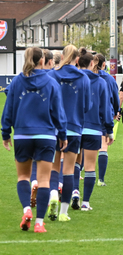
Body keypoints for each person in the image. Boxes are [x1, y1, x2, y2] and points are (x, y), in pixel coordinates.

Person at [1, 47, 67, 232]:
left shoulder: (16, 82)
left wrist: (5, 133)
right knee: (44, 180)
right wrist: (62, 135)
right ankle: (39, 223)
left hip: (22, 135)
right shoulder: (51, 82)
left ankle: (27, 209)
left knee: (23, 177)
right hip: (46, 136)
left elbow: (9, 109)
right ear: (42, 61)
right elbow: (58, 112)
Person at [48, 44, 91, 221]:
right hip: (74, 128)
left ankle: (52, 196)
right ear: (78, 59)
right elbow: (88, 106)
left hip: (54, 128)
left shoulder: (52, 75)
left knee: (53, 168)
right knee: (69, 171)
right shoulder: (84, 78)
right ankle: (64, 213)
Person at [76, 48, 114, 211]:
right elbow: (105, 108)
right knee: (90, 165)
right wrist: (109, 129)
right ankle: (86, 203)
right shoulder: (100, 82)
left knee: (73, 164)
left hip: (74, 128)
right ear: (93, 63)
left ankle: (74, 192)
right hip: (93, 128)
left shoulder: (73, 79)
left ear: (78, 62)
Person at [30, 48, 55, 207]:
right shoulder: (51, 79)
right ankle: (54, 190)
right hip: (48, 129)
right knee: (50, 169)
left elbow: (10, 93)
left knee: (32, 161)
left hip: (28, 128)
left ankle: (33, 182)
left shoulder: (24, 78)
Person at [94, 53, 119, 187]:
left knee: (86, 148)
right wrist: (116, 111)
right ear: (104, 64)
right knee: (103, 147)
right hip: (104, 115)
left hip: (88, 116)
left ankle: (79, 173)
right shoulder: (109, 79)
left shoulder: (86, 76)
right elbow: (115, 97)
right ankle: (101, 179)